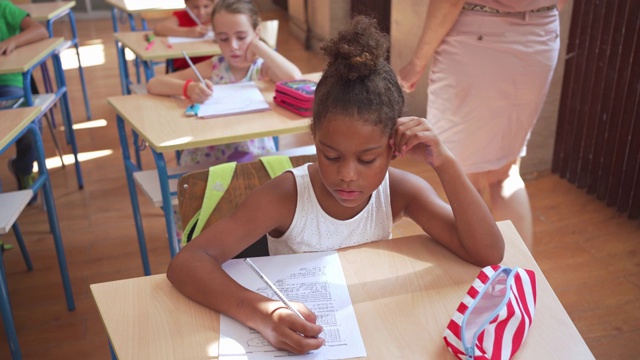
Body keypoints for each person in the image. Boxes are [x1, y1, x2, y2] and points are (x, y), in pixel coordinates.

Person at [166, 16, 505, 355]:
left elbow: (486, 253)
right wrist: (262, 313)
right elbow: (188, 263)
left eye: (367, 159)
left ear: (393, 146)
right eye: (330, 156)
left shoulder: (401, 192)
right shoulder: (286, 196)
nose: (347, 174)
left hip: (368, 330)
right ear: (314, 139)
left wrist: (443, 161)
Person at [397, 0, 567, 249]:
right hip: (541, 35)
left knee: (460, 173)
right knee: (505, 173)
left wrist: (417, 62)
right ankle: (521, 280)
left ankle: (474, 271)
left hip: (478, 39)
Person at [147, 0, 302, 166]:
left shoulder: (262, 68)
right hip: (208, 156)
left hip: (254, 153)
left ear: (256, 33)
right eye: (223, 38)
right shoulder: (214, 66)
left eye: (241, 37)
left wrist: (258, 46)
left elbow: (295, 80)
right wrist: (189, 89)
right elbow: (154, 84)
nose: (233, 46)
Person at [0, 0, 49, 204]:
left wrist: (12, 41)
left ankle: (23, 168)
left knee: (29, 127)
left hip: (8, 82)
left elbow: (40, 31)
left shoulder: (3, 8)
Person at [153, 0, 216, 71]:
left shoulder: (217, 16)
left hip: (211, 67)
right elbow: (159, 28)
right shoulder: (182, 16)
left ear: (214, 4)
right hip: (184, 66)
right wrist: (188, 32)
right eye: (195, 7)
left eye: (206, 6)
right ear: (186, 3)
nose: (201, 12)